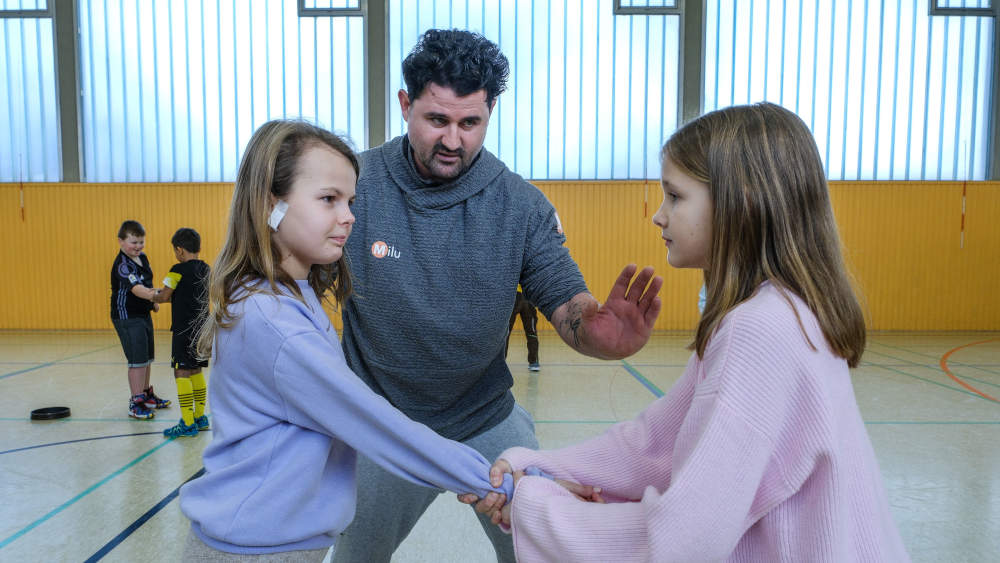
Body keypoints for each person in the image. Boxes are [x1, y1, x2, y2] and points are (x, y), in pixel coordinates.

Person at [474, 103, 911, 561]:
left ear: (741, 201)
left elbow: (680, 543)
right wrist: (537, 466)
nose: (659, 216)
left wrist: (536, 506)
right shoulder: (783, 311)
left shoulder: (761, 329)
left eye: (676, 197)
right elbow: (656, 445)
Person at [334, 28, 662, 563]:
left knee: (540, 553)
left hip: (485, 419)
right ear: (404, 105)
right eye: (436, 119)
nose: (453, 140)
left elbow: (565, 299)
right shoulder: (356, 184)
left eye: (471, 123)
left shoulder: (520, 206)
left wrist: (599, 334)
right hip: (381, 425)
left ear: (489, 115)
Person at [178, 119, 539, 560]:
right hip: (253, 548)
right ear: (271, 205)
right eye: (328, 199)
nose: (349, 216)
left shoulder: (294, 292)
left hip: (276, 541)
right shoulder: (272, 321)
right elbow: (374, 424)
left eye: (350, 200)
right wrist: (490, 481)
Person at [151, 227, 211, 437]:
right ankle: (200, 417)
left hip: (183, 329)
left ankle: (187, 423)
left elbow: (165, 296)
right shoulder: (207, 269)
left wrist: (151, 295)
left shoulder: (177, 270)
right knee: (196, 369)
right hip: (202, 329)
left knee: (181, 372)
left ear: (180, 250)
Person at [111, 219, 171, 420]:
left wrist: (152, 303)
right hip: (127, 316)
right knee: (137, 361)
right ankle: (135, 402)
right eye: (133, 242)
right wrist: (160, 296)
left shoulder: (143, 258)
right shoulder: (122, 266)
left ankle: (146, 395)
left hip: (142, 314)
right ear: (121, 241)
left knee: (146, 358)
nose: (138, 246)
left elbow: (147, 283)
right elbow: (137, 289)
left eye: (141, 242)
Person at [505, 288, 540, 371]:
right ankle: (534, 362)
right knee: (532, 333)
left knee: (505, 333)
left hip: (514, 295)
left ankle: (501, 362)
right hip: (528, 296)